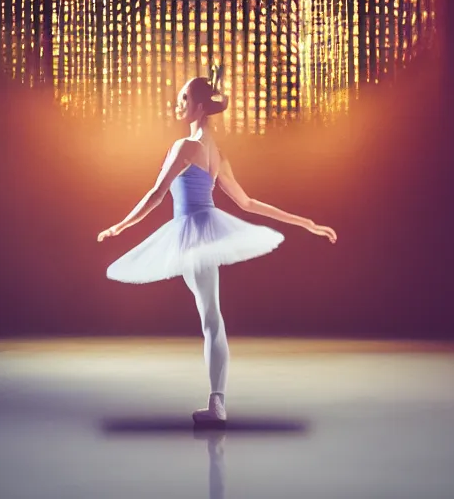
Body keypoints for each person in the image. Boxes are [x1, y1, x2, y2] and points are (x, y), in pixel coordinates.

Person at [97, 74, 337, 424]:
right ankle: (217, 401)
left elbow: (156, 194)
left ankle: (217, 403)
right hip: (201, 230)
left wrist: (121, 225)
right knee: (210, 316)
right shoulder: (216, 153)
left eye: (182, 98)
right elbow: (248, 203)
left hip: (196, 233)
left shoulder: (185, 147)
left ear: (197, 106)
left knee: (211, 319)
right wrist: (305, 223)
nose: (177, 104)